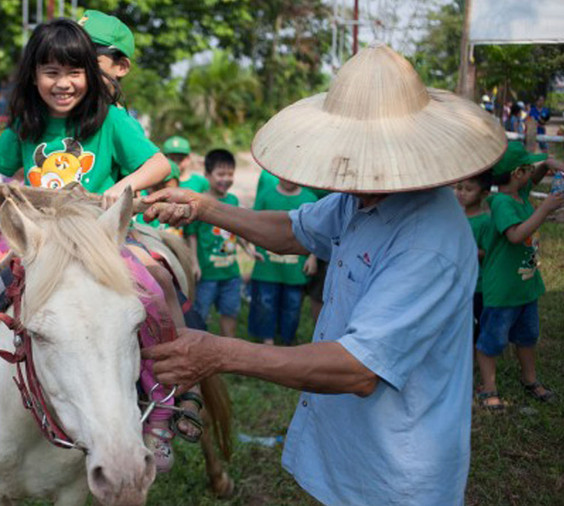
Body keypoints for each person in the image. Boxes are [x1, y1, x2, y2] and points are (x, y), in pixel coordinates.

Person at [140, 43, 507, 503]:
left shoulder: (427, 242)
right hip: (349, 444)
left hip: (396, 470)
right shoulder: (365, 196)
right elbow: (294, 229)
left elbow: (358, 369)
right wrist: (206, 208)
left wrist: (219, 352)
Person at [0, 18, 179, 469]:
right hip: (35, 239)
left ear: (89, 72)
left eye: (74, 72)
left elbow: (158, 164)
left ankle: (160, 406)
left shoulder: (111, 120)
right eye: (50, 72)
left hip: (94, 237)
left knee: (153, 296)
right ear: (33, 76)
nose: (63, 84)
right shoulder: (26, 123)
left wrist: (120, 189)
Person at [474, 141, 564, 410]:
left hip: (525, 286)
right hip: (503, 290)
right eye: (527, 168)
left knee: (527, 337)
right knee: (492, 340)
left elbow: (533, 178)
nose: (531, 173)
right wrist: (545, 208)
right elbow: (515, 235)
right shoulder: (501, 202)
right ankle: (488, 387)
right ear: (517, 174)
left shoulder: (518, 194)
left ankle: (530, 379)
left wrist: (547, 164)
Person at [249, 172, 318, 346]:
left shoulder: (310, 198)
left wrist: (313, 257)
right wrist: (250, 247)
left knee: (293, 306)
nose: (288, 178)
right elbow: (252, 223)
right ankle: (267, 339)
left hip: (295, 268)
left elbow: (317, 232)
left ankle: (287, 339)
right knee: (265, 302)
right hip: (267, 266)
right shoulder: (266, 195)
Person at [185, 149, 242, 337]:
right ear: (207, 175)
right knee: (200, 314)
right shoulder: (199, 202)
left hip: (231, 273)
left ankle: (230, 348)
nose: (226, 178)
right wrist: (193, 262)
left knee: (230, 312)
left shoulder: (233, 200)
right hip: (207, 274)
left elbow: (239, 230)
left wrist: (249, 249)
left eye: (230, 174)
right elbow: (191, 235)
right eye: (220, 174)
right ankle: (199, 349)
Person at [454, 170, 493, 345]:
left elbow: (488, 252)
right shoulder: (454, 217)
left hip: (477, 284)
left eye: (468, 190)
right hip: (456, 282)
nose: (461, 193)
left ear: (484, 193)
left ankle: (477, 353)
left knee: (477, 322)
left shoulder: (485, 222)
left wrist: (467, 250)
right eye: (459, 188)